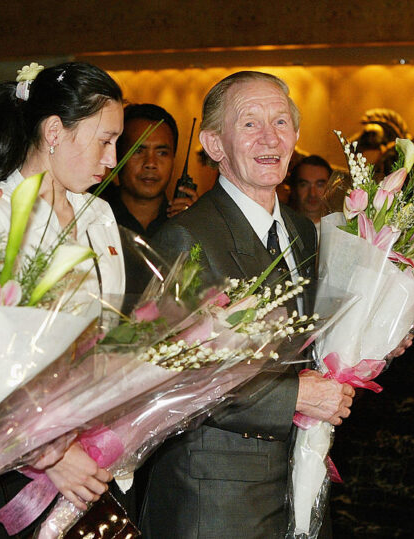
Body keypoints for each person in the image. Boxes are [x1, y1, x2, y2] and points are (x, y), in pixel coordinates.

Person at [139, 71, 355, 538]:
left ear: (296, 138)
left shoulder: (304, 231)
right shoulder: (185, 236)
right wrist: (294, 395)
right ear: (215, 145)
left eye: (281, 122)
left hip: (298, 477)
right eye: (250, 124)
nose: (270, 137)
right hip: (216, 497)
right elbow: (168, 373)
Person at [0, 61, 125, 537]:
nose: (112, 159)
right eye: (104, 140)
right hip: (10, 469)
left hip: (92, 455)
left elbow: (111, 334)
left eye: (116, 143)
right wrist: (49, 453)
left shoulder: (101, 216)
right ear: (53, 131)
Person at [103, 103, 196, 237]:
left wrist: (197, 227)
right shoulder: (94, 218)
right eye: (138, 151)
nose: (151, 163)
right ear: (116, 157)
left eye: (162, 153)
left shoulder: (184, 221)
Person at [288, 154, 332, 231]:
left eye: (320, 185)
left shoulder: (342, 231)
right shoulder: (282, 229)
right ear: (294, 189)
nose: (312, 193)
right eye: (304, 185)